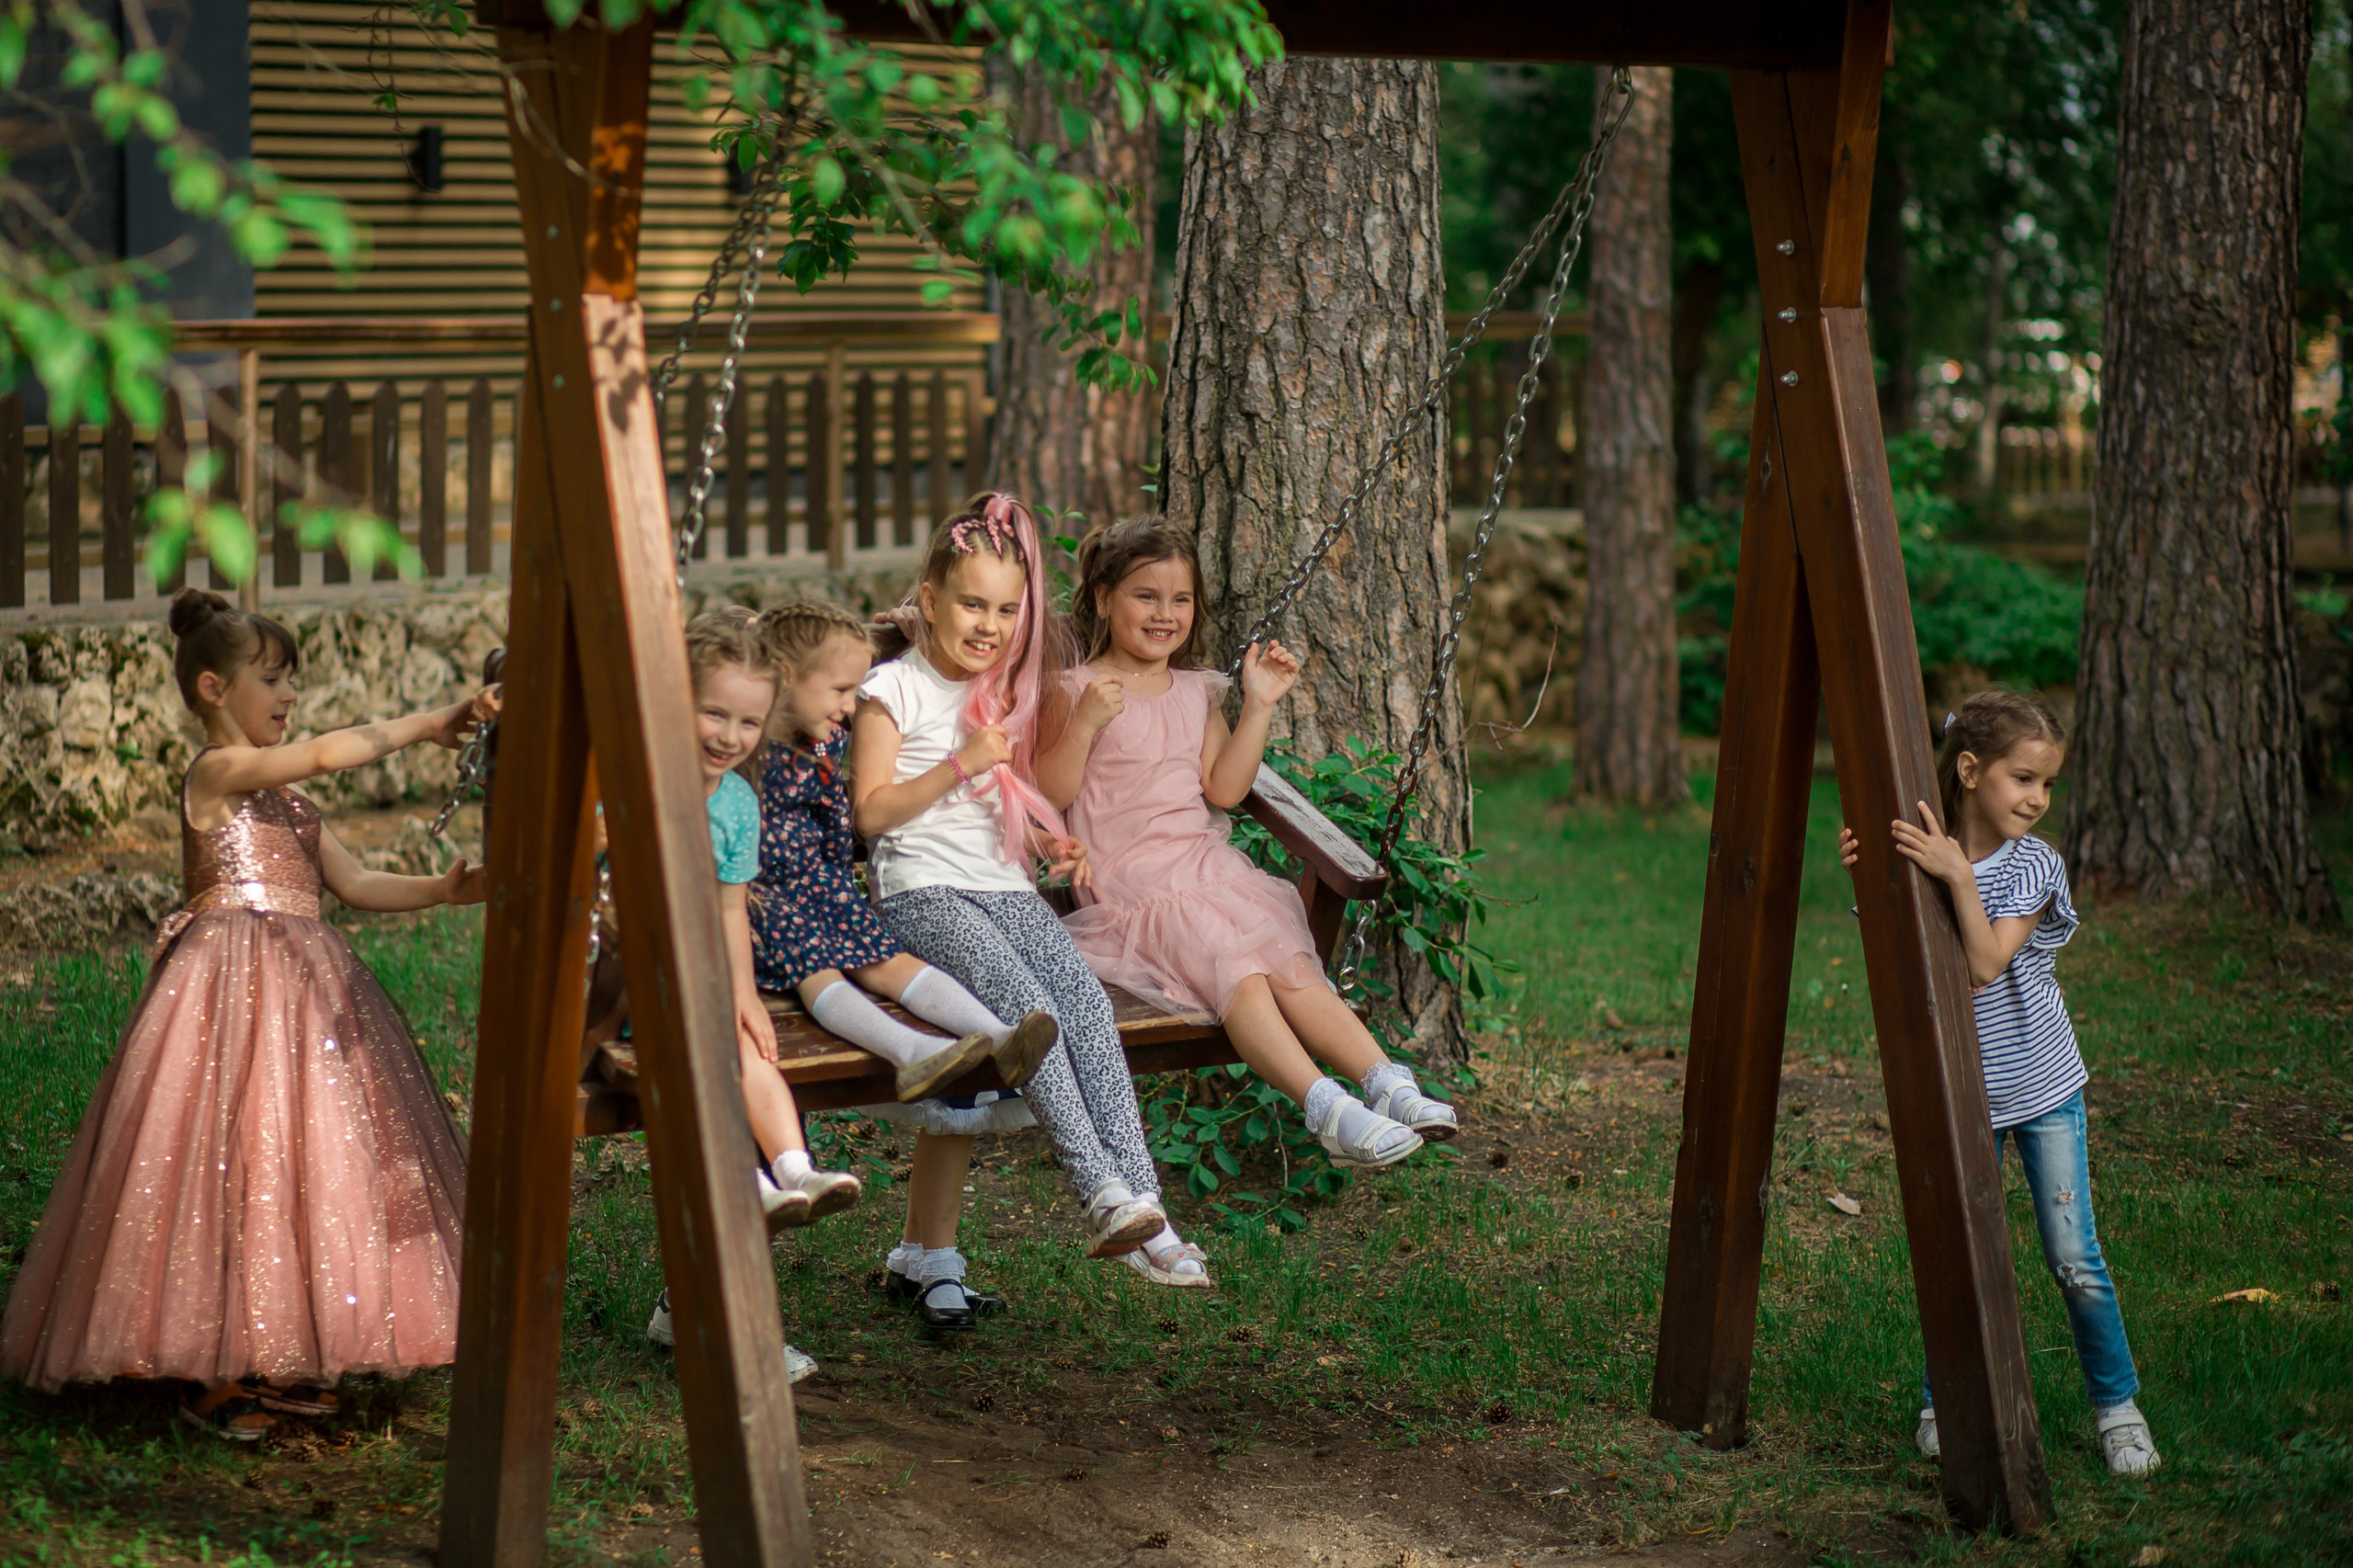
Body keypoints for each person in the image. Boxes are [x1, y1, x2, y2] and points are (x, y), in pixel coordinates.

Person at [0, 589, 480, 1439]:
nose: (290, 697)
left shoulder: (290, 804)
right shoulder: (216, 774)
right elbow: (331, 754)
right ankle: (213, 1362)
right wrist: (428, 721)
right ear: (215, 689)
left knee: (306, 1162)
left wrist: (446, 890)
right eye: (274, 680)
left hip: (306, 989)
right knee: (223, 1161)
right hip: (225, 991)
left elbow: (358, 886)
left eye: (293, 680)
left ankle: (283, 1349)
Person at [851, 494, 1207, 1312]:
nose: (989, 624)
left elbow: (1001, 805)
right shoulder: (891, 691)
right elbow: (872, 812)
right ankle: (1099, 1191)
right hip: (920, 896)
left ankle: (1147, 1210)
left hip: (1001, 890)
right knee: (1028, 1008)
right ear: (931, 602)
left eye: (1007, 610)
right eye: (972, 604)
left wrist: (1050, 844)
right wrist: (962, 764)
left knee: (1082, 1002)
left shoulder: (997, 694)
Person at [1036, 515, 1458, 1189]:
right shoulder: (1072, 690)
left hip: (1206, 870)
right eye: (1146, 596)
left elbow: (1224, 790)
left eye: (1180, 600)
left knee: (1290, 964)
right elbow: (1049, 788)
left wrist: (1257, 704)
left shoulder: (1195, 689)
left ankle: (1385, 1082)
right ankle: (1324, 1106)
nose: (1165, 613)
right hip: (1133, 887)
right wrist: (1085, 721)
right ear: (1102, 596)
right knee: (1242, 966)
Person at [1838, 690, 2159, 1476]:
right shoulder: (1931, 849)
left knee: (2071, 1255)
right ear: (1971, 770)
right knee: (1962, 1250)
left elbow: (1982, 964)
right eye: (2023, 779)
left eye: (2047, 785)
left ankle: (2117, 1408)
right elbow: (1906, 948)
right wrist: (1872, 881)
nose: (2037, 800)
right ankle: (1943, 1400)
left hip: (2043, 1088)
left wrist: (1952, 873)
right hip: (1961, 1091)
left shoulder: (2036, 864)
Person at [746, 600, 1058, 1328]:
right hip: (767, 912)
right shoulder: (751, 749)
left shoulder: (818, 738)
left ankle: (997, 1036)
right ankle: (916, 1050)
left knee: (886, 960)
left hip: (827, 895)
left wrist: (918, 629)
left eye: (858, 694)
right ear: (783, 679)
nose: (852, 709)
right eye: (841, 694)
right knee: (820, 968)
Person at [641, 608, 861, 1381]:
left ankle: (793, 1172)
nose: (729, 735)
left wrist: (743, 993)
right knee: (710, 1061)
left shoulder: (735, 801)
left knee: (752, 1052)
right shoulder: (645, 781)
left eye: (747, 721)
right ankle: (745, 1192)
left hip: (702, 977)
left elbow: (733, 908)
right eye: (713, 712)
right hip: (633, 978)